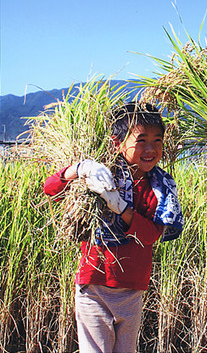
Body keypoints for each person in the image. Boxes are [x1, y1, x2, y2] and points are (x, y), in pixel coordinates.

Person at [44, 102, 183, 353]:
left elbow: (152, 235)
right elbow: (51, 189)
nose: (150, 149)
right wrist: (79, 169)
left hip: (132, 289)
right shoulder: (100, 176)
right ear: (116, 143)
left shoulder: (160, 187)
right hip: (94, 285)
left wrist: (121, 208)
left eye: (157, 141)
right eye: (141, 141)